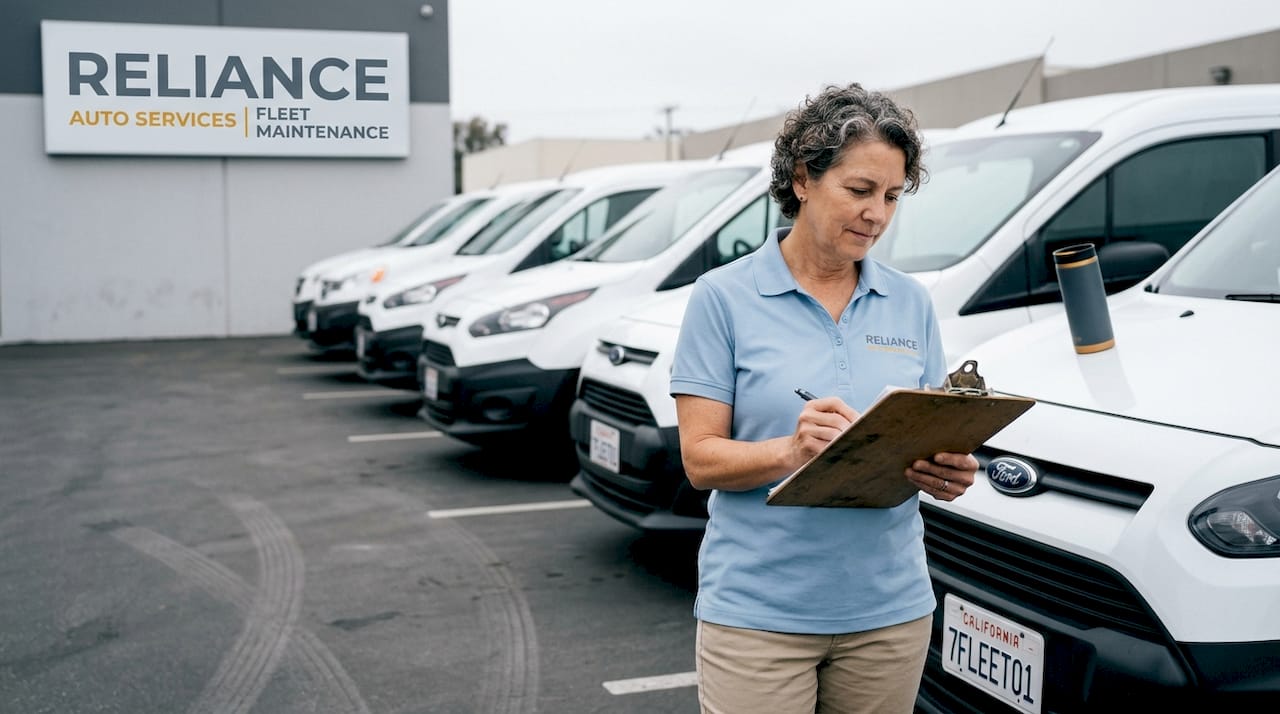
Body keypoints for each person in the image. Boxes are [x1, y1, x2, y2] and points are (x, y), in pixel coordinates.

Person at [669, 82, 980, 714]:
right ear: (803, 179)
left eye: (893, 196)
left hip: (890, 613)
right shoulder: (722, 297)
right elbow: (700, 460)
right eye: (860, 191)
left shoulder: (911, 301)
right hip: (758, 616)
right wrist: (791, 449)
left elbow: (928, 428)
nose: (878, 214)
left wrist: (946, 469)